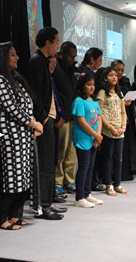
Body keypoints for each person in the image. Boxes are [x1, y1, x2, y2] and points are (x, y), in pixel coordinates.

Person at [0, 41, 43, 230]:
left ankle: (15, 214)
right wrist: (34, 123)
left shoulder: (13, 78)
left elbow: (26, 105)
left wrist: (33, 125)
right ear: (2, 57)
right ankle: (1, 216)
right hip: (7, 138)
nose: (18, 58)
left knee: (22, 177)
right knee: (7, 178)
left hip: (22, 137)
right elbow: (12, 108)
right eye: (13, 54)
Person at [23, 27, 67, 220]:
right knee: (44, 165)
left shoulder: (44, 62)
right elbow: (33, 94)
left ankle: (49, 201)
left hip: (48, 117)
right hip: (42, 120)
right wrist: (42, 117)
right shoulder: (36, 62)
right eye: (56, 42)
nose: (58, 45)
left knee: (50, 163)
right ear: (47, 42)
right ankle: (43, 206)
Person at [72, 73, 104, 208]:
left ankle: (87, 193)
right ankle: (79, 197)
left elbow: (99, 118)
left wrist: (98, 135)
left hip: (94, 139)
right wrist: (95, 135)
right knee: (84, 167)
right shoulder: (79, 101)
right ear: (82, 86)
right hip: (83, 138)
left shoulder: (95, 101)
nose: (91, 87)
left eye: (93, 85)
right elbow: (81, 121)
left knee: (90, 167)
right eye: (88, 84)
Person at [96, 66, 129, 196]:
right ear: (105, 78)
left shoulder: (119, 93)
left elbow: (123, 111)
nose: (114, 77)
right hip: (108, 130)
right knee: (108, 158)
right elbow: (100, 112)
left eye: (115, 75)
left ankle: (117, 184)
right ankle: (108, 185)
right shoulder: (102, 93)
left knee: (118, 158)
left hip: (120, 130)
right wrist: (110, 128)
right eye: (111, 75)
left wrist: (123, 127)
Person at [53, 42, 78, 197]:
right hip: (61, 118)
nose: (72, 59)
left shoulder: (73, 70)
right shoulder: (55, 67)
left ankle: (70, 180)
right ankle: (57, 182)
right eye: (70, 56)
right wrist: (58, 116)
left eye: (74, 57)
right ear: (61, 53)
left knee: (71, 152)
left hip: (73, 116)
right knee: (60, 152)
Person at [111, 59, 136, 180]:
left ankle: (128, 171)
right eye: (117, 70)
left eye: (122, 70)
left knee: (128, 143)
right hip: (114, 116)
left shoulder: (125, 81)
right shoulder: (109, 82)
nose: (120, 72)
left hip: (127, 114)